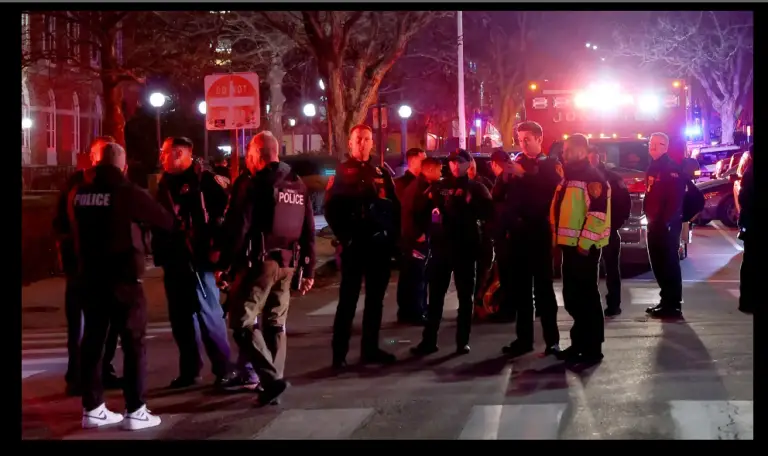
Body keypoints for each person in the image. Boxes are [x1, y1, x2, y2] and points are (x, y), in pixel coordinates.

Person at [69, 142, 174, 430]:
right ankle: (136, 409)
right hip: (123, 279)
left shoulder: (80, 193)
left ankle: (92, 407)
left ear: (95, 164)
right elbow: (165, 220)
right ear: (123, 166)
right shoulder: (128, 193)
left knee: (93, 341)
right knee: (133, 343)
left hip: (90, 277)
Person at [218, 131, 315, 405]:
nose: (247, 159)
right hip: (288, 264)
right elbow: (308, 230)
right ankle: (273, 381)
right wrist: (308, 269)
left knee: (242, 321)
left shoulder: (255, 183)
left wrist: (224, 265)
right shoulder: (297, 184)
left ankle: (271, 380)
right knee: (275, 323)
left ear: (257, 154)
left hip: (260, 263)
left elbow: (239, 227)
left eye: (249, 154)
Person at [152, 137, 235, 388]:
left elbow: (226, 217)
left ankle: (224, 369)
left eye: (166, 152)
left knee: (209, 316)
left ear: (180, 154)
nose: (162, 157)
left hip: (198, 259)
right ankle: (190, 371)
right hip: (173, 259)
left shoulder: (206, 181)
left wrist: (217, 250)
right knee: (180, 319)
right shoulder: (165, 183)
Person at [325, 124, 399, 369]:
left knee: (375, 301)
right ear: (350, 143)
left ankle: (370, 349)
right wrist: (345, 238)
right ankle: (339, 355)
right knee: (348, 301)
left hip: (378, 246)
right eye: (358, 139)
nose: (362, 143)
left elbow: (394, 208)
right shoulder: (342, 172)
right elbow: (331, 209)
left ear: (372, 143)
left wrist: (392, 240)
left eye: (366, 139)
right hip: (355, 245)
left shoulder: (381, 172)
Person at [53, 136, 122, 396]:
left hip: (104, 266)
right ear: (92, 157)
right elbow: (61, 222)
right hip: (81, 266)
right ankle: (77, 375)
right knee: (81, 324)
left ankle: (103, 370)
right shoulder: (77, 184)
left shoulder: (112, 184)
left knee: (108, 323)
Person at [411, 150, 493, 356]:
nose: (456, 166)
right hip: (441, 248)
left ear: (468, 164)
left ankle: (462, 342)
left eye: (460, 162)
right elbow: (419, 210)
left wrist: (471, 205)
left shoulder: (476, 187)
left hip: (466, 249)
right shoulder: (439, 186)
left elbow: (489, 214)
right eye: (452, 162)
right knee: (435, 297)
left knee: (465, 299)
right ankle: (429, 341)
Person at [501, 121, 562, 358]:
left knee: (544, 289)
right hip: (518, 236)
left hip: (539, 233)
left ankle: (552, 341)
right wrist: (505, 178)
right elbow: (503, 198)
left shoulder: (550, 164)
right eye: (520, 139)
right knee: (521, 290)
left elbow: (551, 191)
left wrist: (524, 175)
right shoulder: (517, 163)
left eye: (527, 139)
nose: (523, 144)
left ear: (539, 138)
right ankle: (523, 339)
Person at [550, 134, 611, 364]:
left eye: (568, 149)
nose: (564, 153)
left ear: (582, 151)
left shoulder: (592, 178)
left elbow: (597, 215)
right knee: (572, 298)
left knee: (587, 299)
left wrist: (584, 245)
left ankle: (592, 349)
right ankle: (579, 345)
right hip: (570, 246)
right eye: (564, 149)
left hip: (582, 249)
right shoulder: (568, 177)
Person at [643, 132, 686, 318]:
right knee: (658, 264)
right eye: (651, 144)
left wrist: (666, 222)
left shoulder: (671, 169)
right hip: (654, 224)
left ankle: (673, 305)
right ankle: (665, 300)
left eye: (658, 144)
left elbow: (675, 201)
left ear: (666, 147)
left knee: (668, 264)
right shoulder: (653, 167)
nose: (653, 147)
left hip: (666, 226)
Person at [588, 147, 631, 316]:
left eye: (594, 157)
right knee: (591, 269)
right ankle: (593, 304)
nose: (591, 160)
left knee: (611, 269)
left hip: (608, 230)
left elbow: (625, 202)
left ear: (600, 157)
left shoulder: (612, 178)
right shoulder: (583, 178)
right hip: (590, 231)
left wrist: (615, 224)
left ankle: (614, 304)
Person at [395, 148, 428, 324]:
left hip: (420, 236)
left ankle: (418, 308)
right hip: (410, 237)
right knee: (411, 275)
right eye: (423, 160)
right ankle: (411, 311)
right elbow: (405, 212)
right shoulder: (402, 184)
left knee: (418, 274)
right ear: (412, 161)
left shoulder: (422, 183)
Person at [736, 147, 753, 314]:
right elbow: (745, 199)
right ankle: (747, 302)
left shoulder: (749, 171)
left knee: (749, 263)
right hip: (753, 224)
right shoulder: (751, 173)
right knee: (750, 264)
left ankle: (747, 301)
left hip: (750, 224)